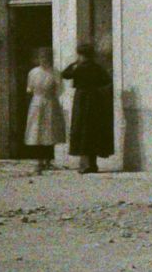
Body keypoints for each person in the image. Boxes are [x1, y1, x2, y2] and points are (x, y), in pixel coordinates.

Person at [62, 42, 113, 174]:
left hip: (82, 99)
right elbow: (106, 81)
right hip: (96, 100)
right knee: (93, 131)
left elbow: (65, 74)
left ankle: (84, 165)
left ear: (81, 55)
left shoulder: (78, 67)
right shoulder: (97, 67)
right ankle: (92, 164)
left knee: (81, 129)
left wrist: (74, 63)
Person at [22, 47, 65, 174]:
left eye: (46, 58)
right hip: (37, 102)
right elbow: (29, 89)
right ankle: (38, 160)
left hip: (51, 102)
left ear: (50, 59)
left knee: (50, 130)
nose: (43, 60)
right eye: (41, 58)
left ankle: (48, 160)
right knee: (36, 131)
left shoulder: (55, 72)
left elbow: (60, 90)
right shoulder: (33, 72)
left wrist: (51, 97)